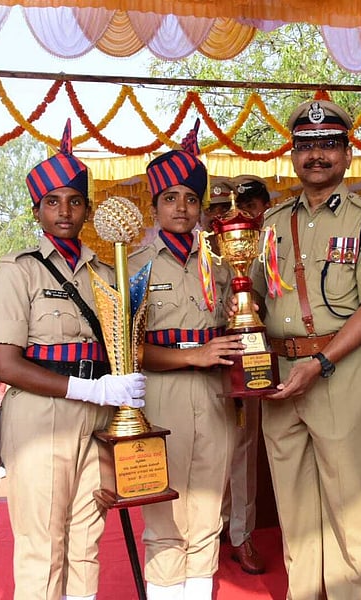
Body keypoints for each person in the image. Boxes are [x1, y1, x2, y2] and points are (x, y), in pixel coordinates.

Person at [0, 121, 145, 600]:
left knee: (86, 542)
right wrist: (88, 389)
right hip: (41, 417)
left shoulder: (106, 272)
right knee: (43, 547)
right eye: (53, 201)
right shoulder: (18, 271)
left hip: (97, 417)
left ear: (88, 210)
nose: (64, 211)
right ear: (37, 210)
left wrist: (119, 389)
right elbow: (6, 365)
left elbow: (117, 347)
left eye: (74, 201)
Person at [252, 99, 361, 599]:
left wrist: (319, 363)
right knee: (294, 511)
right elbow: (255, 296)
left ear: (347, 154)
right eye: (306, 146)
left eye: (329, 145)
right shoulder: (272, 222)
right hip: (280, 374)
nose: (317, 155)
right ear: (293, 155)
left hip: (340, 374)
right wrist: (240, 305)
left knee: (347, 510)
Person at [131, 142, 244, 600]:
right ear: (154, 206)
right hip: (162, 395)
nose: (181, 208)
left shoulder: (221, 264)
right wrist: (191, 356)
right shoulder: (133, 266)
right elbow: (125, 350)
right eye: (170, 198)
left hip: (215, 394)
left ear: (201, 207)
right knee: (165, 511)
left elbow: (237, 326)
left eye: (191, 199)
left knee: (209, 508)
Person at [219, 173, 272, 575]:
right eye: (220, 209)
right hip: (199, 368)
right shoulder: (199, 253)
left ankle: (241, 533)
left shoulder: (268, 251)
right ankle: (212, 527)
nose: (233, 216)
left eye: (246, 206)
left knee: (243, 450)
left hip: (249, 360)